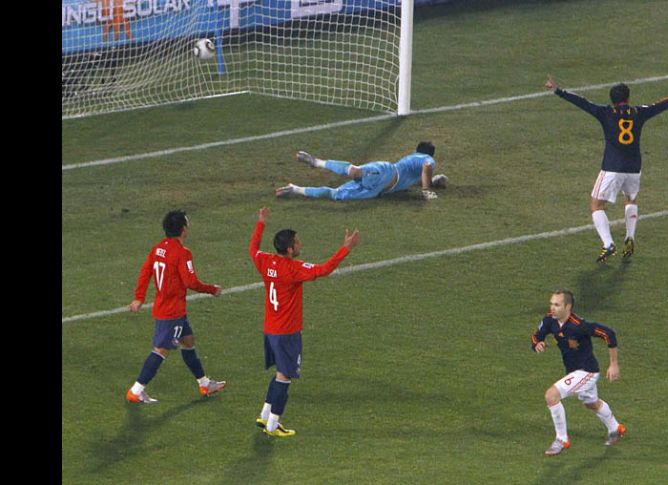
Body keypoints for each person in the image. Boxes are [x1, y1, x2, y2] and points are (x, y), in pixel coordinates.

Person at [544, 76, 668, 262]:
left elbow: (582, 102)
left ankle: (608, 243)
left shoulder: (605, 112)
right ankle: (630, 237)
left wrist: (558, 90)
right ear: (628, 97)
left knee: (596, 205)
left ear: (612, 99)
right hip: (634, 167)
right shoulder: (638, 112)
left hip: (612, 167)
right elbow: (659, 105)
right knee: (630, 199)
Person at [249, 207, 360, 437]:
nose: (300, 245)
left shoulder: (265, 262)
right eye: (297, 243)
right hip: (286, 332)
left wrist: (260, 223)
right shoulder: (294, 269)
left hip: (269, 329)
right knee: (285, 376)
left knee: (280, 372)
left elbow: (253, 249)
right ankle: (273, 425)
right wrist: (346, 248)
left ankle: (264, 415)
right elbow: (324, 270)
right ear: (289, 249)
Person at [125, 210, 225, 404]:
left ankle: (204, 383)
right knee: (161, 350)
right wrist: (212, 289)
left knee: (188, 341)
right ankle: (136, 390)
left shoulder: (158, 248)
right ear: (183, 229)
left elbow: (146, 272)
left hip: (166, 307)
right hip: (172, 312)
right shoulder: (182, 252)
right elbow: (190, 281)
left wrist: (139, 297)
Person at [531, 290, 625, 456]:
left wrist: (614, 364)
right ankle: (616, 428)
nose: (552, 308)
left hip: (587, 371)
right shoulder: (549, 320)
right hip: (573, 372)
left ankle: (562, 439)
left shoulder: (579, 326)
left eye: (557, 305)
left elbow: (609, 334)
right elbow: (536, 336)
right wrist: (537, 344)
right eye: (551, 303)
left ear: (568, 307)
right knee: (591, 403)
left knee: (551, 396)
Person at [275, 141, 448, 201]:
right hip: (386, 172)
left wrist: (432, 182)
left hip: (376, 190)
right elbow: (427, 167)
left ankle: (295, 189)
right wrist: (426, 190)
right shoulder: (425, 159)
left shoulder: (413, 169)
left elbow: (419, 178)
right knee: (355, 172)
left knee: (336, 195)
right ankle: (316, 162)